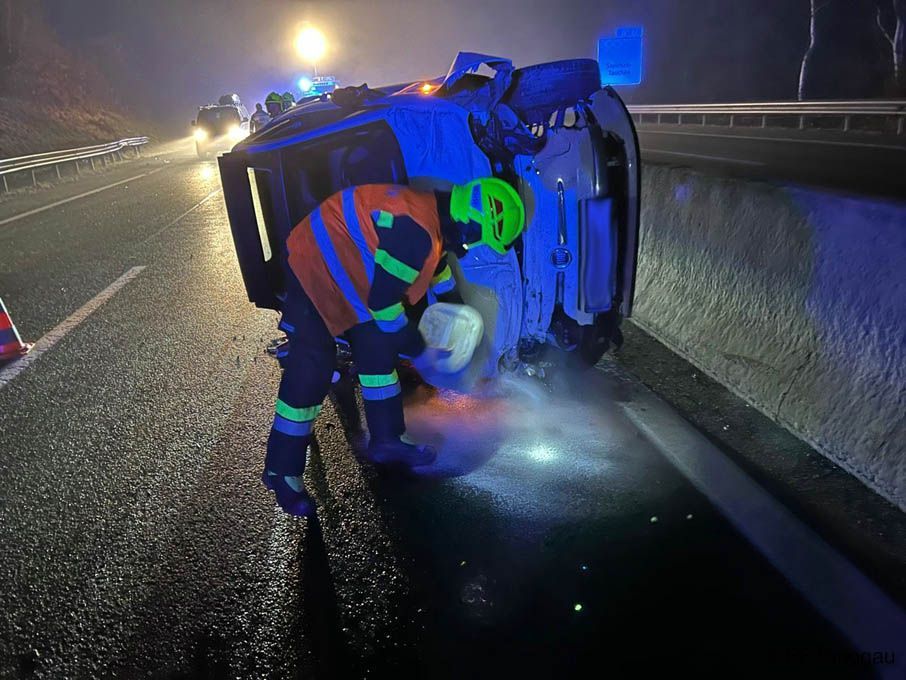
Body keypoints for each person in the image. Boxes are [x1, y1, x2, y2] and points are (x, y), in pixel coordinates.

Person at [262, 178, 525, 516]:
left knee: (376, 345)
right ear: (470, 222)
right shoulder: (416, 233)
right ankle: (280, 470)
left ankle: (386, 440)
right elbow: (385, 306)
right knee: (313, 366)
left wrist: (463, 315)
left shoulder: (435, 219)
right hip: (316, 259)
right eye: (478, 238)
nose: (472, 246)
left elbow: (439, 272)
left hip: (347, 264)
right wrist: (422, 352)